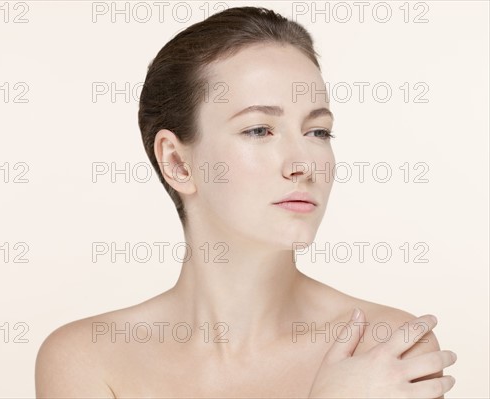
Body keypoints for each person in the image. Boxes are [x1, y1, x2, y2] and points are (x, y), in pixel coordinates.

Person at [35, 6, 457, 398]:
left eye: (318, 132)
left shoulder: (387, 348)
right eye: (259, 130)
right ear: (178, 162)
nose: (302, 164)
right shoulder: (89, 360)